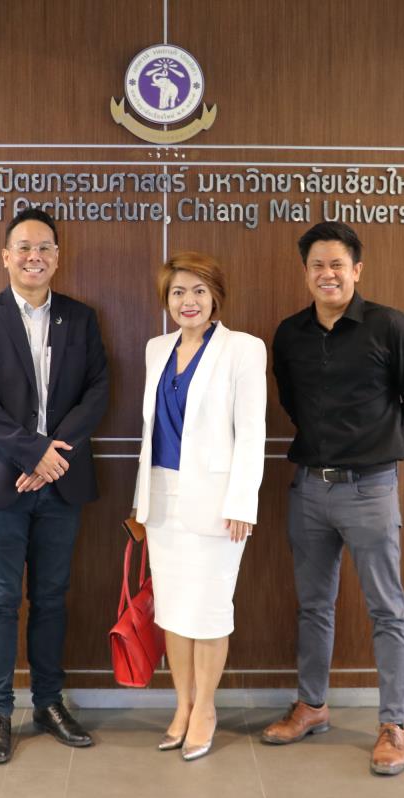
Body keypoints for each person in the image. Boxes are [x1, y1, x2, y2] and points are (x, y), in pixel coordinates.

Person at [262, 221, 404, 776]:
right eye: (317, 265)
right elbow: (291, 401)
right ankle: (312, 705)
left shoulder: (390, 326)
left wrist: (376, 443)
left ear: (356, 270)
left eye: (337, 264)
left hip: (370, 488)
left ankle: (393, 725)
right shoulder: (289, 334)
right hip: (310, 489)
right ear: (306, 273)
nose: (327, 274)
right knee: (313, 605)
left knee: (387, 608)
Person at [0, 207, 109, 764]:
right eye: (23, 247)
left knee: (50, 597)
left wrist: (52, 455)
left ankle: (48, 703)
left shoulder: (80, 318)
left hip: (60, 482)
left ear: (57, 258)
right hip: (3, 483)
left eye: (44, 247)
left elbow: (98, 389)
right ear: (6, 256)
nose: (33, 256)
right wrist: (31, 452)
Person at [131, 251, 266, 762]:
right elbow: (151, 432)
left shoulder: (243, 349)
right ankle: (182, 706)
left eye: (198, 291)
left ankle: (206, 709)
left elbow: (251, 433)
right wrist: (141, 502)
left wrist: (243, 502)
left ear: (215, 297)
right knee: (173, 611)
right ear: (166, 300)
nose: (188, 301)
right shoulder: (157, 348)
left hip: (217, 505)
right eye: (177, 292)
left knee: (208, 612)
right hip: (162, 499)